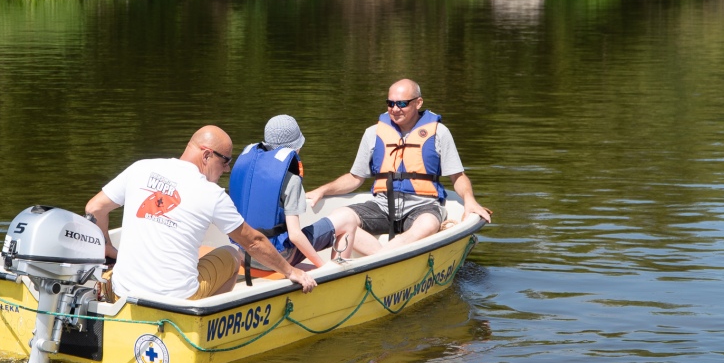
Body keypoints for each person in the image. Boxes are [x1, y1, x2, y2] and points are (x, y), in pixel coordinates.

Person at [84, 125, 317, 300]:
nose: (227, 169)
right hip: (177, 299)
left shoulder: (141, 167)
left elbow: (94, 208)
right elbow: (253, 242)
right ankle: (206, 322)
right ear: (206, 155)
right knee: (233, 254)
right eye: (225, 161)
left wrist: (109, 249)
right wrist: (290, 271)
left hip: (123, 290)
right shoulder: (211, 194)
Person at [305, 78, 491, 256]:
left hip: (423, 206)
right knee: (340, 216)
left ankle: (379, 258)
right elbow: (355, 178)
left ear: (418, 103)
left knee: (427, 224)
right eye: (390, 103)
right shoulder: (373, 133)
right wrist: (323, 190)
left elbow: (457, 177)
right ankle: (340, 268)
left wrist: (470, 200)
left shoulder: (439, 133)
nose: (395, 109)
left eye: (402, 104)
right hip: (382, 205)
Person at [229, 115, 356, 271]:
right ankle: (338, 275)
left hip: (246, 253)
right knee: (348, 218)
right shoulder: (291, 180)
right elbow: (295, 236)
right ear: (296, 147)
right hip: (278, 258)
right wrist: (323, 268)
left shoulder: (248, 172)